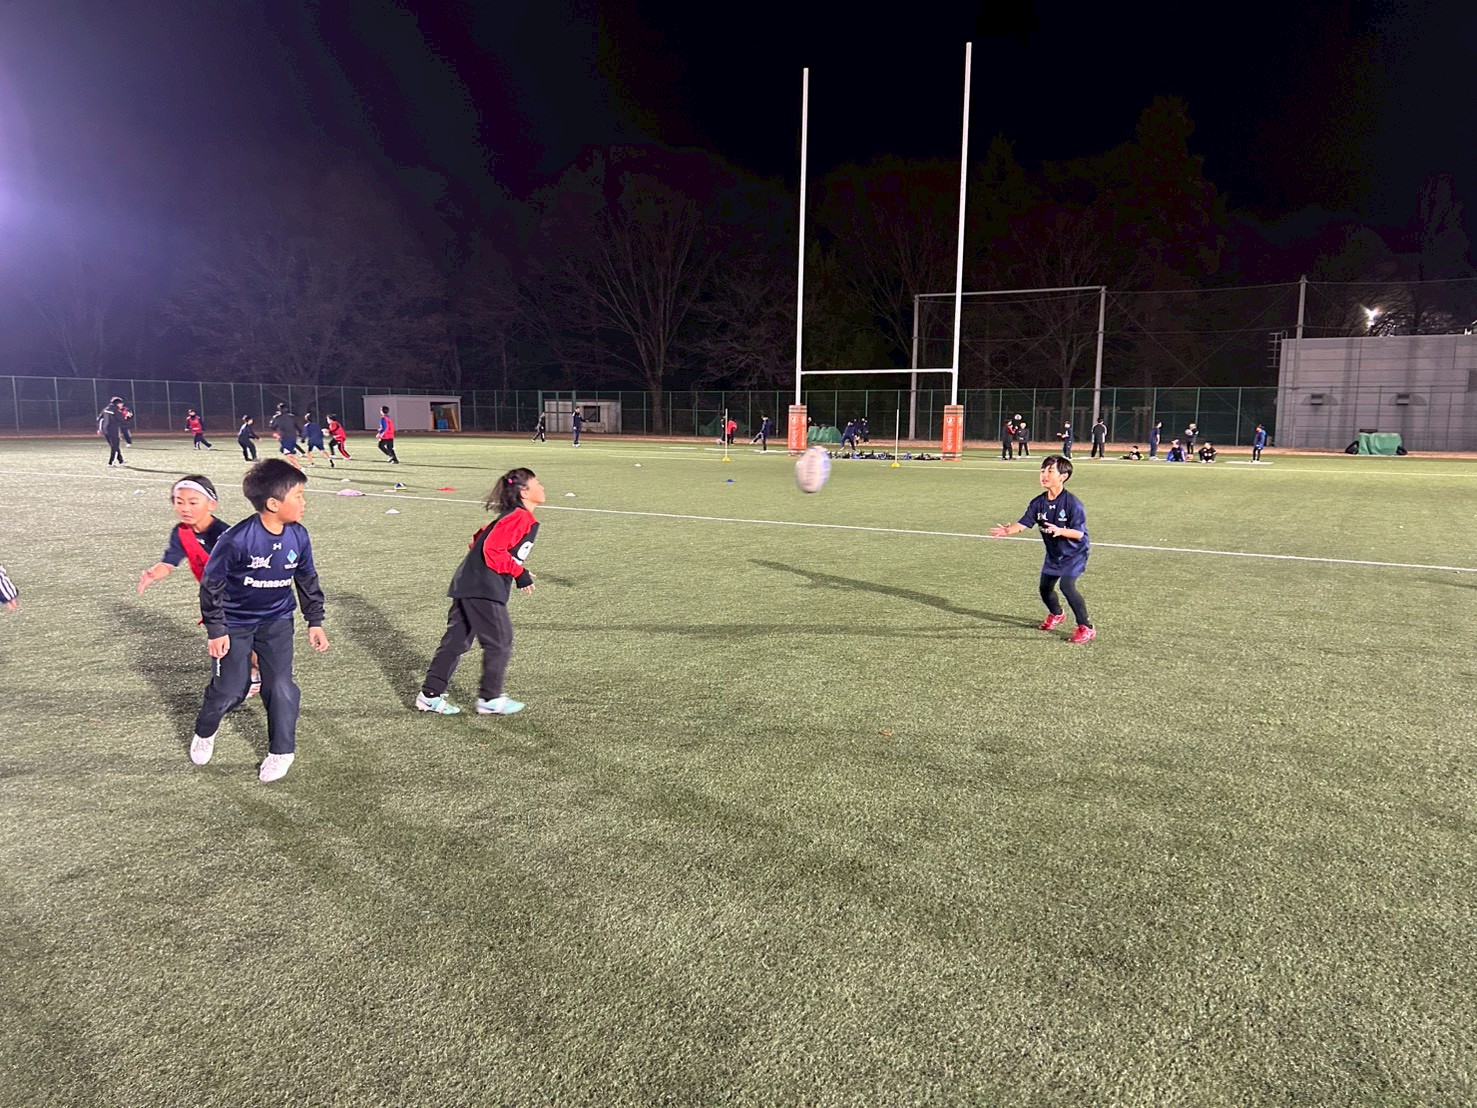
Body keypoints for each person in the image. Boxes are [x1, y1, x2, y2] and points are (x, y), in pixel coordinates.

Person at [189, 459, 329, 783]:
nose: (304, 502)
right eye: (298, 496)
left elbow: (306, 578)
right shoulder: (237, 539)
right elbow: (212, 585)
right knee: (230, 689)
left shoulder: (299, 535)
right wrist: (216, 630)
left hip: (277, 621)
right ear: (273, 504)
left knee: (280, 685)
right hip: (234, 623)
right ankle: (205, 731)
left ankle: (282, 751)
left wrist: (315, 620)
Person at [416, 467, 545, 717]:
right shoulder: (519, 517)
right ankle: (490, 698)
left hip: (469, 582)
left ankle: (429, 695)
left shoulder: (513, 516)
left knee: (456, 642)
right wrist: (518, 572)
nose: (542, 487)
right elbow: (491, 549)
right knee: (500, 640)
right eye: (537, 483)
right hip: (483, 587)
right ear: (523, 491)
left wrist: (517, 568)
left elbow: (478, 540)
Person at [137, 475, 261, 697]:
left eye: (193, 502)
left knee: (244, 638)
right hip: (215, 598)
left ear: (211, 504)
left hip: (241, 594)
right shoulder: (181, 532)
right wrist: (154, 572)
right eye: (179, 502)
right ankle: (247, 672)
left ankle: (255, 672)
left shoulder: (225, 535)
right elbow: (169, 561)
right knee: (231, 639)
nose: (185, 508)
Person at [989, 455, 1095, 644]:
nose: (1044, 475)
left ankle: (1086, 627)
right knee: (1045, 589)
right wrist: (1008, 530)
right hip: (1054, 554)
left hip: (1075, 553)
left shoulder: (1072, 503)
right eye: (1042, 471)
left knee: (1067, 586)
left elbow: (1079, 533)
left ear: (1063, 476)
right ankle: (1057, 614)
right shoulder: (1038, 503)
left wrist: (1061, 531)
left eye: (1050, 471)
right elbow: (1023, 524)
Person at [98, 396, 127, 467]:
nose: (122, 405)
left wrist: (99, 428)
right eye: (121, 403)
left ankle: (121, 460)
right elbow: (123, 421)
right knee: (114, 447)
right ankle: (110, 462)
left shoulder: (105, 409)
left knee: (114, 446)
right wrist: (125, 416)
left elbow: (99, 419)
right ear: (117, 404)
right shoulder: (116, 411)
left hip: (105, 431)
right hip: (113, 431)